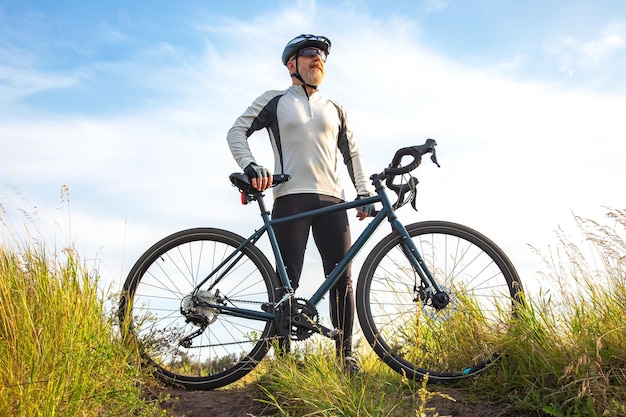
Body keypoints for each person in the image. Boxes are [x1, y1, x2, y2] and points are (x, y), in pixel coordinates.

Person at [226, 34, 374, 373]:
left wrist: (363, 191)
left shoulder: (335, 108)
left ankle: (344, 358)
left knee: (342, 279)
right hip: (290, 197)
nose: (318, 59)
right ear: (292, 64)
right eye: (310, 54)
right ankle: (283, 362)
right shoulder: (276, 100)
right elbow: (236, 131)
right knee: (286, 282)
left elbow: (352, 153)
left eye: (322, 55)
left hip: (332, 200)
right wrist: (251, 165)